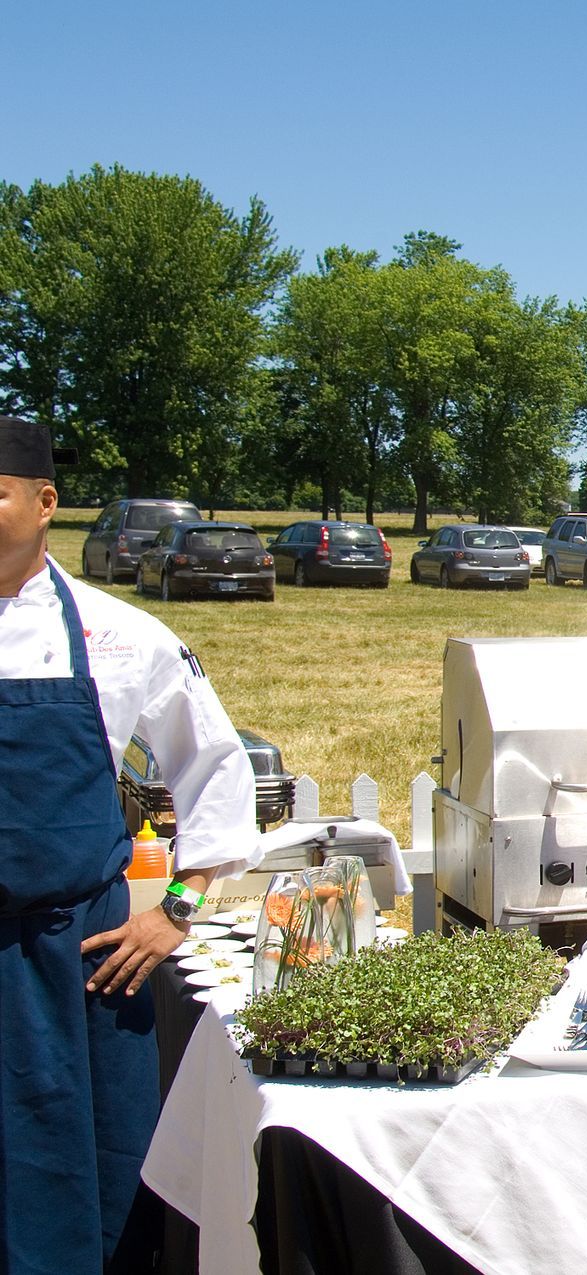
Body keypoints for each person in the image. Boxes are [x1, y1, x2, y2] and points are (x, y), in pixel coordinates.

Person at [0, 417, 258, 1270]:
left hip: (79, 961)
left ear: (44, 503)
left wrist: (176, 910)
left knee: (96, 1177)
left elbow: (217, 771)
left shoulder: (121, 637)